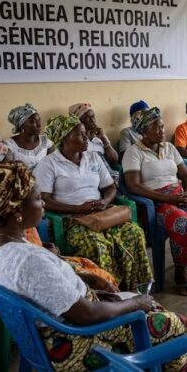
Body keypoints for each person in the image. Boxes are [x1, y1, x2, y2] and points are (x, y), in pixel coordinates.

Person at [0, 162, 187, 371]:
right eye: (39, 199)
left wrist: (86, 280)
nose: (44, 203)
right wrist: (135, 303)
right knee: (181, 328)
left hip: (41, 335)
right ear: (16, 211)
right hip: (76, 343)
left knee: (147, 307)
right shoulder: (27, 261)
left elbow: (42, 288)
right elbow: (87, 315)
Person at [0, 136, 119, 291]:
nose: (16, 167)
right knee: (102, 277)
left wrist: (44, 251)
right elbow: (26, 264)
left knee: (90, 265)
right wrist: (50, 255)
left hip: (21, 272)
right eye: (9, 164)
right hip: (31, 281)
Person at [35, 115, 152, 291]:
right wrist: (77, 208)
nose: (86, 137)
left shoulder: (92, 157)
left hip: (102, 213)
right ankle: (108, 291)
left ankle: (132, 287)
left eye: (85, 133)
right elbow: (44, 199)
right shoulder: (49, 163)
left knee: (134, 232)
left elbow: (110, 187)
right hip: (72, 220)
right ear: (64, 138)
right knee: (96, 244)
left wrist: (104, 201)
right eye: (80, 134)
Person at [123, 108, 187, 296]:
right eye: (156, 129)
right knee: (184, 223)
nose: (162, 132)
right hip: (156, 202)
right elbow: (134, 186)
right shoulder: (134, 152)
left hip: (179, 195)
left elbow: (186, 174)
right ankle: (181, 274)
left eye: (162, 127)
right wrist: (167, 198)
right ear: (144, 131)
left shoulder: (169, 148)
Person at [5, 103, 54, 170]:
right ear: (21, 125)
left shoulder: (46, 142)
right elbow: (10, 173)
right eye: (32, 122)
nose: (39, 125)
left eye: (39, 120)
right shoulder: (9, 146)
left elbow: (53, 167)